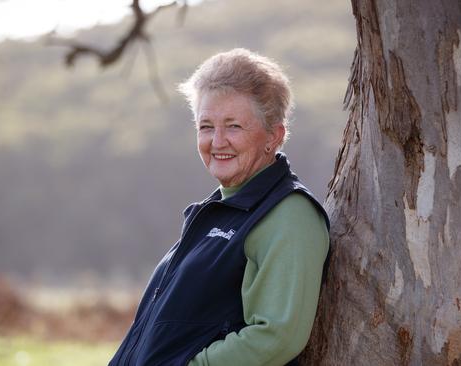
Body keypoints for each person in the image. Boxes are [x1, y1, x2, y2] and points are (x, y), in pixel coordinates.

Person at [108, 48, 330, 366]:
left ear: (274, 136)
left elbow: (278, 336)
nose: (217, 141)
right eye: (206, 126)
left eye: (234, 126)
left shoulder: (289, 216)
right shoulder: (220, 209)